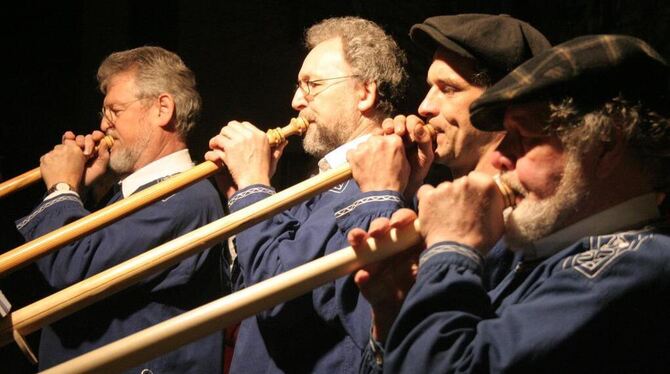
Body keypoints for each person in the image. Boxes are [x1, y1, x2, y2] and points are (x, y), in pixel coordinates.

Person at [350, 34, 670, 373]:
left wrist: (450, 249)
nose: (500, 158)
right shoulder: (544, 251)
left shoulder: (638, 266)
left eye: (524, 138)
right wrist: (393, 316)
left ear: (604, 146)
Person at [205, 16, 408, 373]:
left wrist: (254, 186)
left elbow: (277, 297)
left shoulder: (370, 185)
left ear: (365, 92)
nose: (297, 100)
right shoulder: (321, 181)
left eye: (312, 85)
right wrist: (243, 196)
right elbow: (248, 296)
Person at [345, 13, 550, 350]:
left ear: (504, 108)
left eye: (449, 89)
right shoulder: (423, 196)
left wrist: (380, 195)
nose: (424, 106)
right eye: (430, 88)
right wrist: (406, 190)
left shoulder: (523, 228)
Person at [15, 46, 225, 372]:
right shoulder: (133, 193)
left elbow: (73, 267)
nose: (103, 124)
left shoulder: (186, 196)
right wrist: (82, 190)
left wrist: (61, 189)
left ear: (162, 109)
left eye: (115, 110)